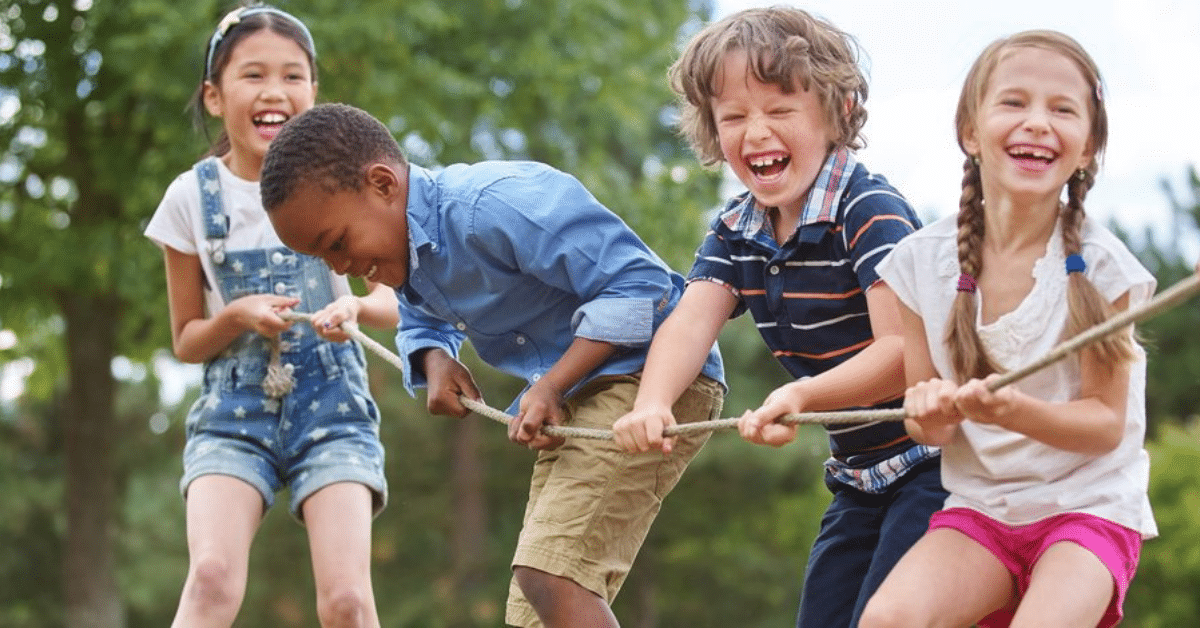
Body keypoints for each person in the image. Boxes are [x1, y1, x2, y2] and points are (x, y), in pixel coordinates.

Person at [258, 102, 725, 628]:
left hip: (651, 377)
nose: (340, 266)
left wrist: (551, 382)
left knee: (552, 576)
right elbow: (419, 315)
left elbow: (643, 288)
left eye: (338, 243)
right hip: (579, 398)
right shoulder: (408, 256)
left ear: (384, 185)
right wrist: (434, 360)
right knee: (534, 611)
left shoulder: (494, 206)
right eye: (325, 261)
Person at [611, 7, 946, 628]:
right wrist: (652, 401)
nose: (755, 131)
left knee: (888, 618)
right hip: (860, 475)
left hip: (937, 465)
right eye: (733, 116)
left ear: (839, 110)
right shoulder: (738, 229)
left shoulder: (867, 209)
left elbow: (902, 351)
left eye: (780, 111)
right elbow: (691, 320)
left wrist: (801, 393)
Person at [859, 30, 1157, 628]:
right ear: (971, 132)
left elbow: (1104, 426)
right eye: (1014, 102)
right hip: (983, 510)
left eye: (1063, 109)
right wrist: (934, 409)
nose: (1038, 123)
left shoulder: (1105, 269)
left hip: (1089, 510)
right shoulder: (920, 263)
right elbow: (929, 427)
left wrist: (1007, 411)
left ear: (1087, 146)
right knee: (886, 619)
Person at [143, 5, 397, 627]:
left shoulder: (350, 182)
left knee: (346, 601)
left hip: (333, 406)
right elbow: (186, 340)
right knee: (209, 579)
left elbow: (393, 301)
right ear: (213, 96)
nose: (275, 92)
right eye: (253, 75)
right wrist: (235, 315)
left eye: (293, 76)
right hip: (234, 414)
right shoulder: (190, 199)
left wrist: (355, 305)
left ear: (314, 91)